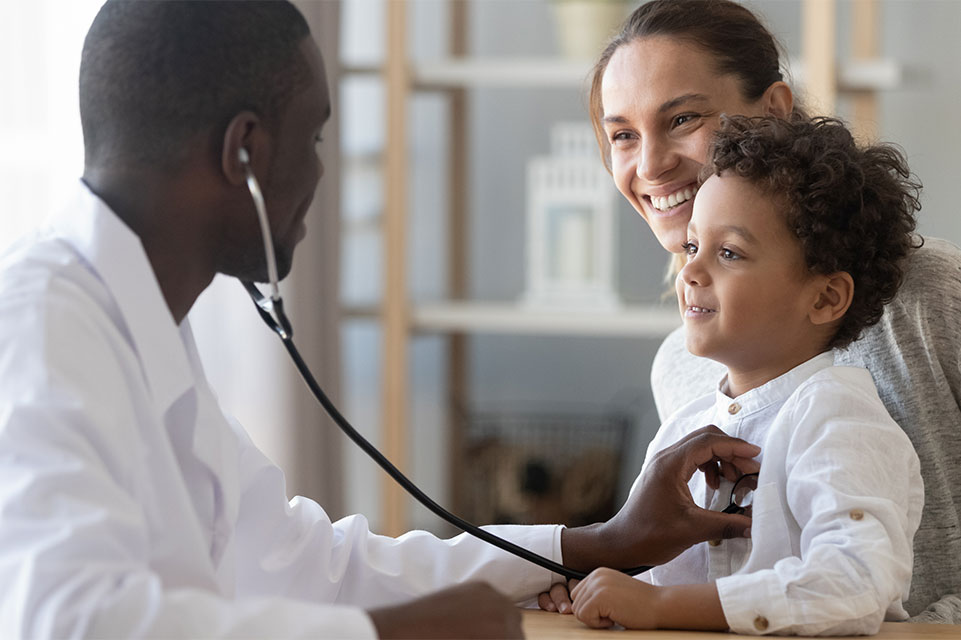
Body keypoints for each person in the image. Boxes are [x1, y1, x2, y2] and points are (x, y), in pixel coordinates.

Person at [0, 2, 763, 638]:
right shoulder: (38, 326)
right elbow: (69, 620)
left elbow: (312, 564)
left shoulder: (142, 328)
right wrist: (390, 634)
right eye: (315, 135)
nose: (323, 170)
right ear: (245, 153)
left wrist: (601, 541)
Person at [540, 0, 961, 624]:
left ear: (773, 113)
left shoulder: (935, 298)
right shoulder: (686, 370)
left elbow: (851, 580)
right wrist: (605, 584)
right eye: (623, 134)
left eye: (682, 117)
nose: (650, 164)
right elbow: (705, 573)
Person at [569, 114, 924, 634]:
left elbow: (854, 584)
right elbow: (662, 585)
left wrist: (657, 608)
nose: (690, 271)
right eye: (692, 246)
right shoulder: (682, 431)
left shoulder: (839, 421)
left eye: (729, 252)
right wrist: (599, 590)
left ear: (825, 297)